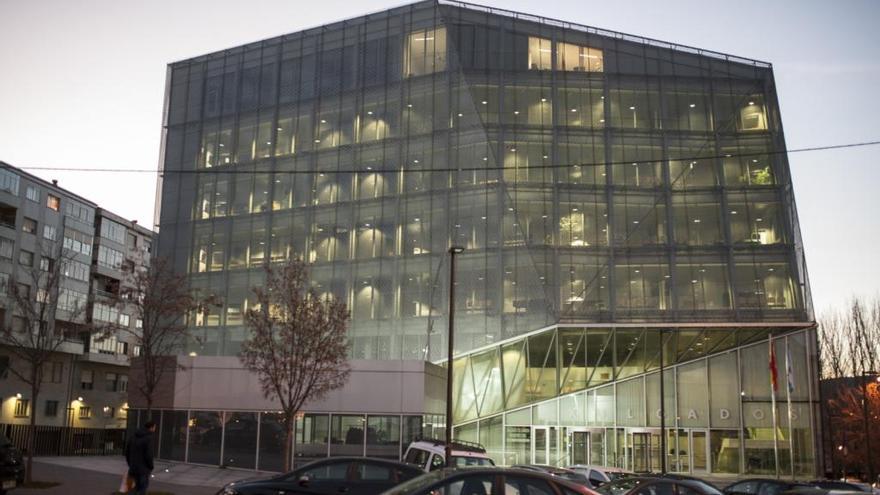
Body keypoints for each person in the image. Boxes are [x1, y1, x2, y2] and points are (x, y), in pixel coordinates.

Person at [124, 421, 156, 495]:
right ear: (151, 428)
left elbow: (127, 452)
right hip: (143, 470)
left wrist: (130, 464)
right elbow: (149, 455)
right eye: (154, 427)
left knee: (134, 488)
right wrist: (151, 466)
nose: (154, 429)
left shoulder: (133, 437)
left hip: (133, 468)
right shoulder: (148, 438)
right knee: (142, 488)